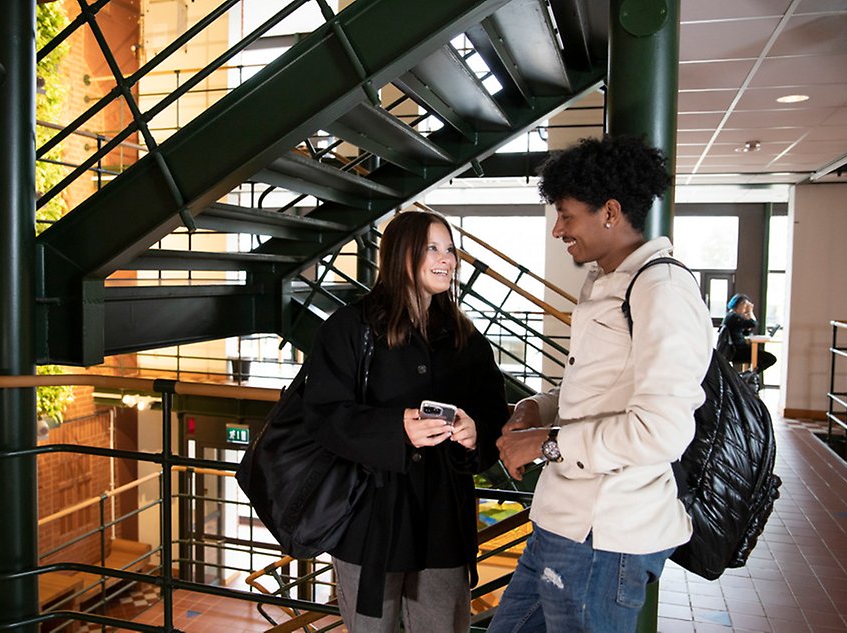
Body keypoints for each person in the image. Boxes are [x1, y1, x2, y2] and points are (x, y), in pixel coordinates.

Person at [487, 136, 714, 633]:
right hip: (563, 525)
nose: (557, 230)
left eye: (567, 215)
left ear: (610, 211)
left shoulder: (662, 290)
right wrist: (537, 408)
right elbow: (600, 389)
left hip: (604, 537)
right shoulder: (608, 281)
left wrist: (544, 444)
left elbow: (661, 430)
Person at [302, 210, 509, 632]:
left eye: (450, 248)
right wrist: (396, 428)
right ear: (401, 255)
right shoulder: (350, 327)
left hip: (443, 518)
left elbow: (492, 415)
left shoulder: (465, 338)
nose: (447, 258)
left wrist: (475, 435)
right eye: (433, 247)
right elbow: (323, 414)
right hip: (368, 519)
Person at [718, 293, 776, 372]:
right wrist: (750, 312)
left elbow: (745, 332)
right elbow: (753, 324)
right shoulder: (734, 317)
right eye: (745, 306)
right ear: (740, 304)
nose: (746, 309)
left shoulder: (731, 316)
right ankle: (750, 374)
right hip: (736, 352)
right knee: (770, 358)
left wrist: (746, 319)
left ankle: (749, 374)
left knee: (759, 353)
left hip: (735, 350)